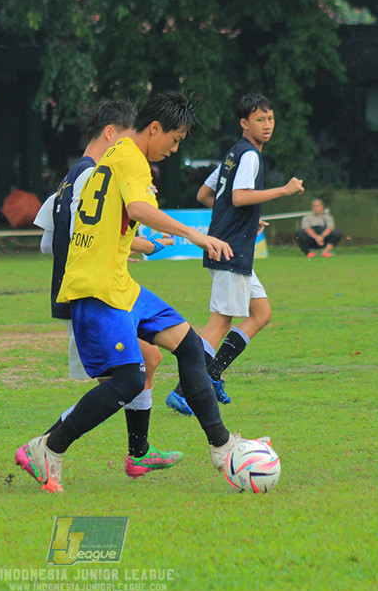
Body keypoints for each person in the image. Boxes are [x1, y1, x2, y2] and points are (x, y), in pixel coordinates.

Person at [15, 91, 263, 493]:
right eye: (175, 138)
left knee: (189, 347)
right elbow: (142, 210)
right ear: (154, 128)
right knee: (129, 380)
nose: (174, 148)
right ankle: (49, 447)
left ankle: (222, 447)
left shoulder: (113, 156)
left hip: (117, 282)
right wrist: (197, 236)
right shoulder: (132, 160)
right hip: (97, 289)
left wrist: (129, 245)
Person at [30, 100, 182, 480]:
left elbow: (50, 243)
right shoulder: (98, 173)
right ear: (113, 132)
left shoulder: (70, 177)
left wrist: (112, 251)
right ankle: (43, 447)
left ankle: (139, 452)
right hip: (92, 298)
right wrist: (127, 249)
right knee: (123, 382)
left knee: (147, 363)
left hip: (87, 289)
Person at [165, 94, 303, 415]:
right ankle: (184, 390)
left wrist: (244, 220)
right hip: (230, 249)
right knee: (220, 322)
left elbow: (206, 193)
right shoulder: (250, 156)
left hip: (230, 244)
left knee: (261, 314)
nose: (267, 125)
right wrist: (283, 191)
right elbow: (240, 197)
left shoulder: (232, 154)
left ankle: (212, 373)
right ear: (245, 123)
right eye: (259, 120)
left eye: (269, 119)